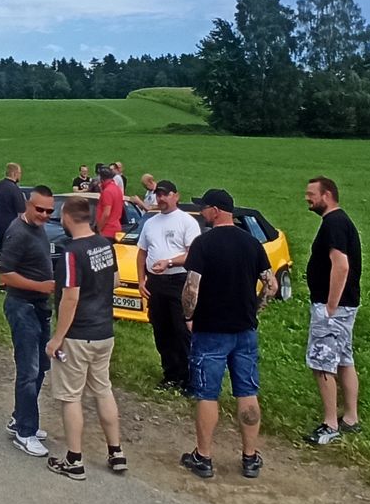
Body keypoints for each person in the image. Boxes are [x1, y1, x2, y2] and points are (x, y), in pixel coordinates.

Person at [180, 188, 277, 480]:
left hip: (211, 329)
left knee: (207, 394)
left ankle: (203, 457)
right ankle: (250, 457)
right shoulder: (252, 243)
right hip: (244, 330)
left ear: (216, 210)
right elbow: (271, 284)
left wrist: (188, 316)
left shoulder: (203, 243)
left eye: (204, 208)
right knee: (247, 392)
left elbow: (192, 286)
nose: (201, 213)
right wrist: (256, 309)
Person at [43, 197, 125, 480]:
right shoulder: (105, 244)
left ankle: (74, 459)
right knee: (103, 390)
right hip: (104, 332)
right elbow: (115, 281)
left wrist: (57, 338)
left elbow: (71, 297)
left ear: (66, 217)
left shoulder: (71, 253)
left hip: (78, 335)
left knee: (70, 397)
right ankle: (116, 451)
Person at [0, 185, 57, 456]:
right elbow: (5, 274)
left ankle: (19, 417)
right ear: (27, 205)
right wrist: (40, 286)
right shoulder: (18, 232)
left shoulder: (38, 228)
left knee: (41, 365)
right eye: (40, 209)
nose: (44, 215)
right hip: (22, 306)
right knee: (29, 370)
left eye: (49, 211)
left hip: (40, 307)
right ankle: (25, 432)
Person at [303, 175, 362, 445]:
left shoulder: (334, 224)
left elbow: (341, 265)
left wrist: (330, 306)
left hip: (334, 308)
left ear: (326, 195)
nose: (307, 198)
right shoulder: (339, 221)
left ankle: (330, 425)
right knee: (344, 360)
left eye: (311, 194)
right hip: (345, 306)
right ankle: (351, 418)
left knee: (322, 363)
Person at [138, 180, 200, 390]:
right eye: (158, 195)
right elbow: (142, 253)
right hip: (156, 283)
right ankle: (170, 374)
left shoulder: (187, 222)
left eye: (165, 194)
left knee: (181, 330)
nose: (161, 198)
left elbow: (192, 254)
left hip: (178, 280)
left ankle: (187, 377)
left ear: (176, 196)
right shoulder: (150, 223)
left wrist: (170, 262)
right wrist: (141, 280)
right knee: (161, 328)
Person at [0, 162, 25, 255]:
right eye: (19, 173)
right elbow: (21, 212)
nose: (20, 176)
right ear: (14, 173)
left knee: (1, 252)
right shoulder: (15, 189)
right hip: (11, 228)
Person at [94, 166, 124, 240]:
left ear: (102, 179)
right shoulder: (117, 189)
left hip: (107, 231)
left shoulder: (107, 191)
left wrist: (98, 229)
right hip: (116, 228)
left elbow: (106, 213)